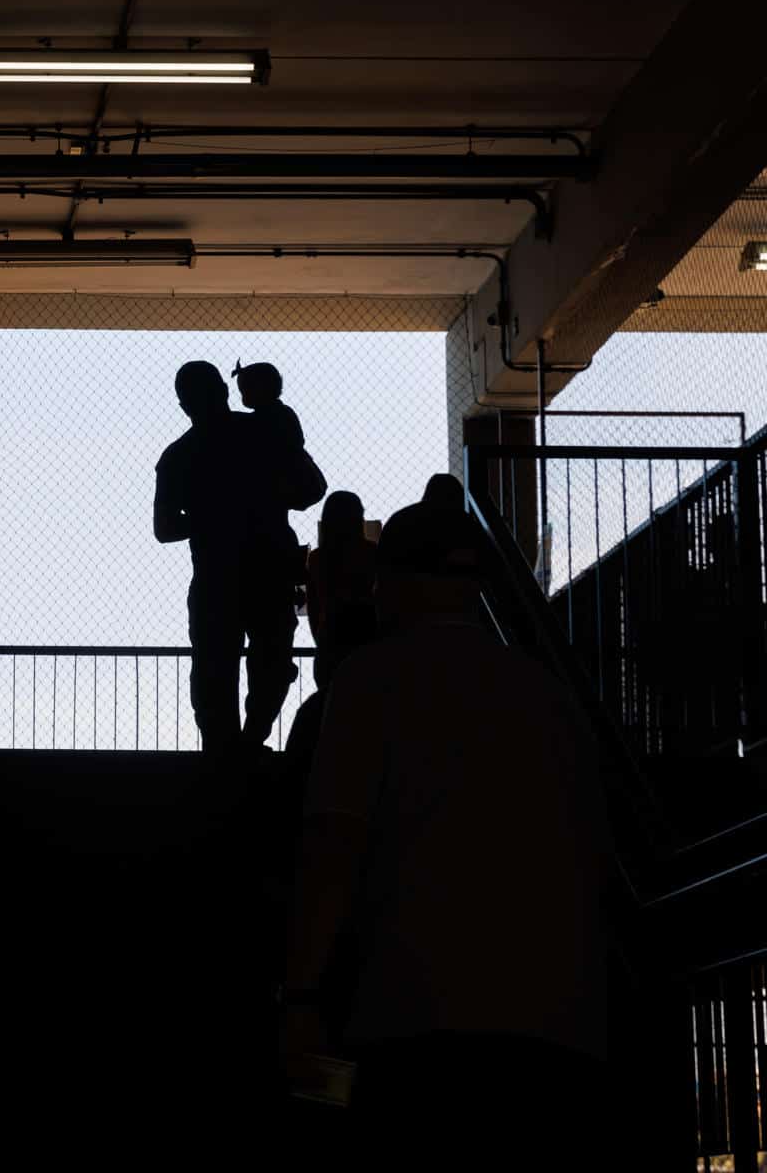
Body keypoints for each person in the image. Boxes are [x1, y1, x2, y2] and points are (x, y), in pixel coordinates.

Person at [279, 500, 615, 1169]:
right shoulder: (551, 696)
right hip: (562, 1030)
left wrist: (301, 995)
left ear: (396, 582)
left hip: (415, 1020)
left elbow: (334, 851)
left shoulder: (369, 684)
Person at [155, 361, 324, 752]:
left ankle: (223, 748)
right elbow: (312, 489)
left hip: (216, 578)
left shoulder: (179, 455)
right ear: (225, 391)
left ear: (183, 405)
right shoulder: (264, 434)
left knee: (215, 668)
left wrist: (209, 519)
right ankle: (251, 740)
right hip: (269, 570)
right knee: (272, 660)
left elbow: (164, 529)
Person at [304, 491, 376, 686]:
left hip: (330, 641)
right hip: (366, 638)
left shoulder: (318, 559)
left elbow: (313, 608)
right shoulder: (372, 554)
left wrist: (322, 639)